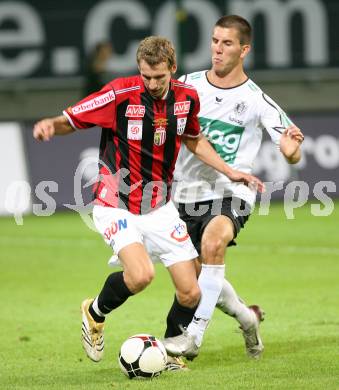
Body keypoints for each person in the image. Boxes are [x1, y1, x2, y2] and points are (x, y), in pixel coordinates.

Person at [32, 36, 264, 368]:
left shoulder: (187, 99)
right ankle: (94, 312)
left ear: (173, 69)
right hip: (115, 202)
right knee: (141, 275)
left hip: (160, 207)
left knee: (191, 293)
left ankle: (169, 352)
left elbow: (194, 140)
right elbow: (72, 119)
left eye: (159, 77)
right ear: (139, 70)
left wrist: (230, 172)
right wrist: (50, 125)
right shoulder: (120, 94)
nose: (152, 84)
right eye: (146, 76)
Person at [162, 15, 304, 361]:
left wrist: (291, 149)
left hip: (233, 191)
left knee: (214, 242)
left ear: (244, 50)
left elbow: (291, 147)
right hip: (185, 195)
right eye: (214, 41)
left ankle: (194, 335)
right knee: (195, 280)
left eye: (226, 43)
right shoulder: (188, 84)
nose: (217, 50)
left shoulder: (256, 100)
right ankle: (246, 317)